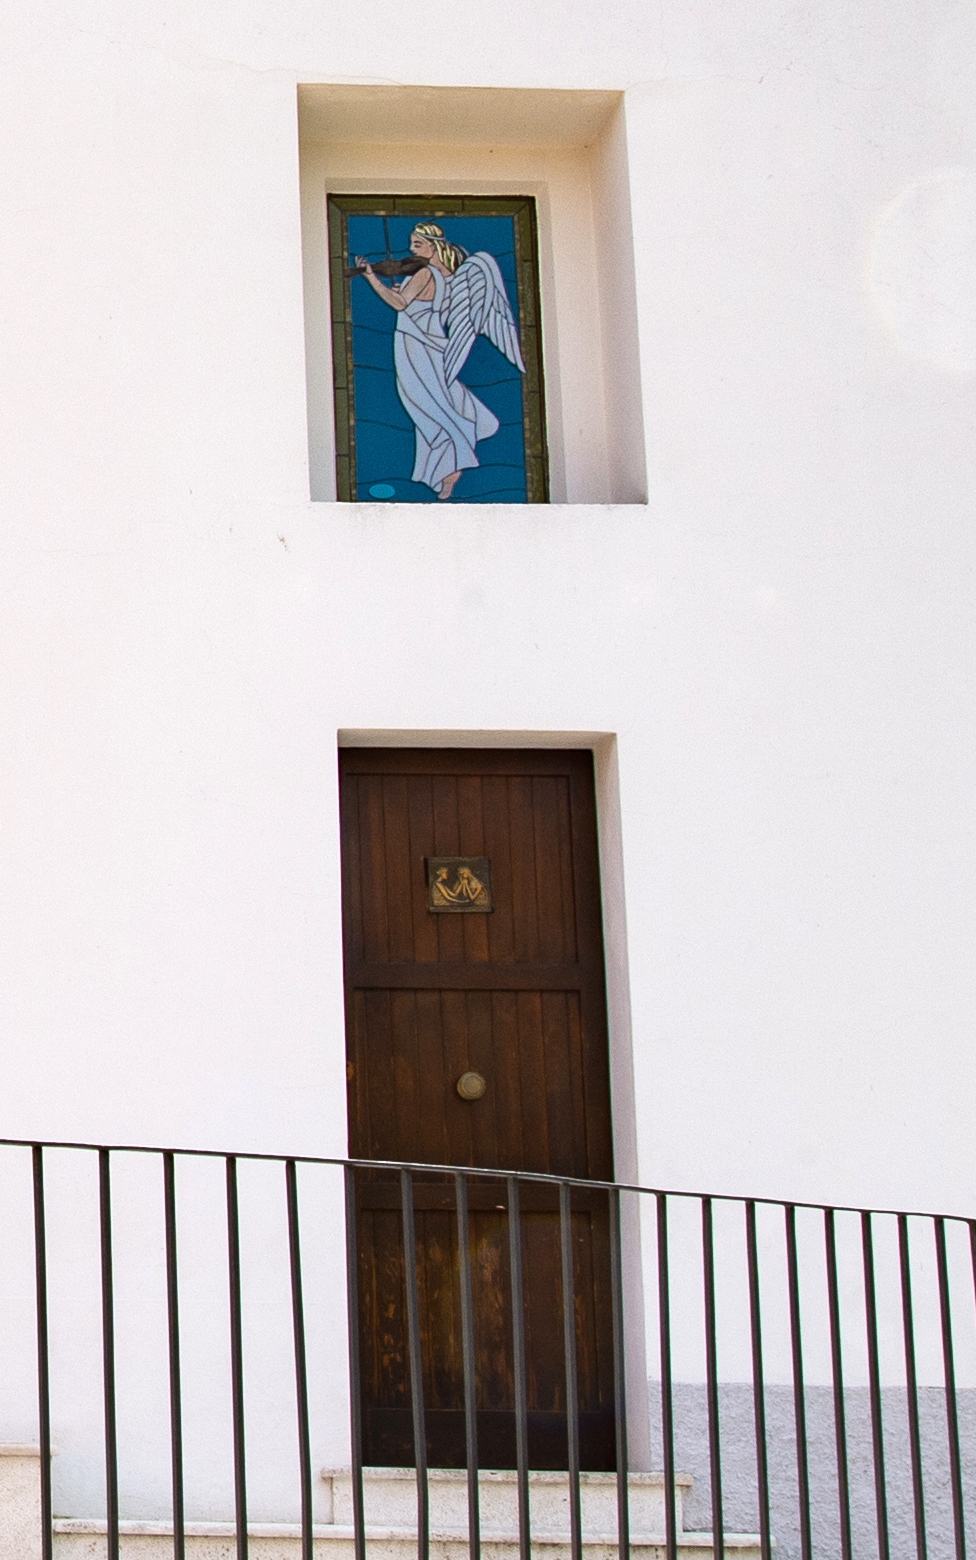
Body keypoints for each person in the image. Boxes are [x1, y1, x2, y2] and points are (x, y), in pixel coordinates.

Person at [355, 223, 505, 501]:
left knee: (428, 408)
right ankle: (445, 473)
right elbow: (421, 303)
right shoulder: (448, 274)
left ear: (433, 246)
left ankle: (457, 458)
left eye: (417, 244)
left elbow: (399, 304)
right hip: (430, 343)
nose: (411, 250)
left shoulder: (424, 272)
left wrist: (370, 277)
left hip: (417, 345)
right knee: (433, 406)